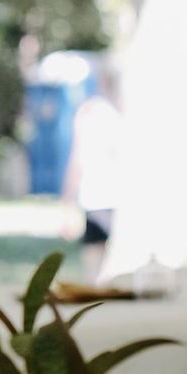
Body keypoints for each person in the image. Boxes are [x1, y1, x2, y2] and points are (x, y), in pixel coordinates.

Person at [62, 63, 125, 282]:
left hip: (105, 196)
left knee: (99, 267)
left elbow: (76, 159)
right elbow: (78, 159)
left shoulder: (92, 112)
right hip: (102, 196)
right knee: (100, 265)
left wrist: (68, 200)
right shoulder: (108, 112)